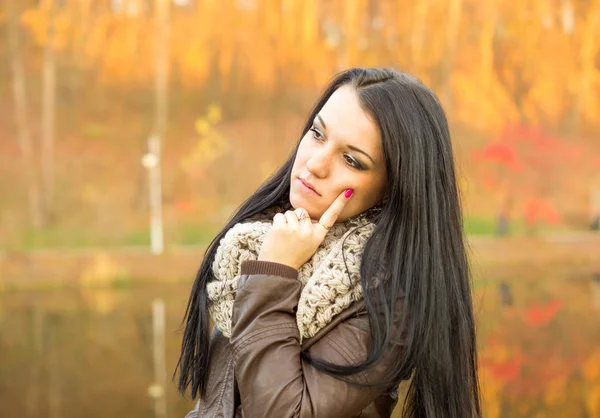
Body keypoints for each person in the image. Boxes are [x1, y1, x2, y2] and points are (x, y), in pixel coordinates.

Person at [176, 68, 481, 417]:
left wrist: (274, 273)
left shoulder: (385, 302)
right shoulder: (257, 241)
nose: (315, 163)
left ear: (394, 188)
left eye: (351, 160)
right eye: (318, 133)